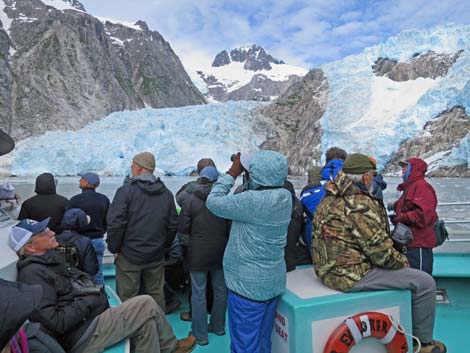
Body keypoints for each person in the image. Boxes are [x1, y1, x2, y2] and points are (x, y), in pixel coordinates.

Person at [311, 153, 446, 353]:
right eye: (372, 175)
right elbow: (382, 255)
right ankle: (423, 344)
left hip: (327, 269)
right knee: (425, 282)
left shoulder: (330, 196)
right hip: (348, 274)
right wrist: (403, 262)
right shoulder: (359, 204)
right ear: (366, 177)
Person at [9, 218, 196, 353]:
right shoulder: (33, 274)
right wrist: (88, 299)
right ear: (30, 247)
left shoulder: (49, 261)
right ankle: (171, 348)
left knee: (145, 325)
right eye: (43, 233)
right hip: (82, 335)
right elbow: (55, 322)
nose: (51, 232)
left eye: (48, 228)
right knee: (145, 304)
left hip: (88, 322)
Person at [206, 150, 292, 353]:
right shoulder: (285, 196)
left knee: (244, 346)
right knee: (263, 341)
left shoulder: (250, 201)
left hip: (247, 288)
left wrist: (232, 172)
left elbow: (213, 201)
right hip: (272, 282)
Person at [107, 152, 178, 312]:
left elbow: (115, 223)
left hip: (129, 255)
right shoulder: (166, 194)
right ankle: (157, 332)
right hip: (155, 255)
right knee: (156, 294)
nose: (131, 167)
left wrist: (114, 248)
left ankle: (131, 334)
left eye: (133, 164)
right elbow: (173, 225)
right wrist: (163, 247)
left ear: (140, 168)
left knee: (127, 298)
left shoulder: (126, 192)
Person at [178, 166, 230, 346]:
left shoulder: (190, 201)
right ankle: (218, 326)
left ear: (200, 179)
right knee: (220, 290)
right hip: (220, 252)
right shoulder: (223, 200)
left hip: (198, 253)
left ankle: (200, 335)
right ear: (217, 181)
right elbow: (230, 227)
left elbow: (183, 228)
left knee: (198, 293)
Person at [175, 157, 216, 322]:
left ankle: (194, 314)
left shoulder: (189, 192)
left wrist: (195, 186)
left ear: (199, 172)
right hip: (218, 243)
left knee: (195, 282)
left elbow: (179, 199)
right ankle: (214, 311)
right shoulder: (222, 191)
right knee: (216, 281)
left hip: (193, 243)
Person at [392, 158, 438, 275]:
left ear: (415, 169)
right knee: (411, 277)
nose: (403, 169)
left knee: (421, 277)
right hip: (409, 243)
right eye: (402, 166)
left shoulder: (422, 187)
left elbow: (423, 215)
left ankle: (424, 293)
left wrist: (401, 217)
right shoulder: (410, 187)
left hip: (419, 244)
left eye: (406, 166)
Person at [300, 147, 347, 251]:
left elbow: (299, 216)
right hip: (346, 256)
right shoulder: (355, 190)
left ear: (326, 162)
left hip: (315, 253)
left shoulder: (308, 190)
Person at [67, 172, 110, 284]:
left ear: (86, 182)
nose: (79, 180)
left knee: (79, 272)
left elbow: (68, 221)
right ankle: (101, 296)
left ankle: (84, 296)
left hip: (80, 241)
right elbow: (108, 220)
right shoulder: (104, 199)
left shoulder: (75, 200)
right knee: (98, 271)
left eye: (81, 178)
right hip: (98, 239)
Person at [56, 208, 99, 277]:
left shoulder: (54, 240)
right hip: (79, 282)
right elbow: (91, 269)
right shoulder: (85, 241)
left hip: (58, 282)